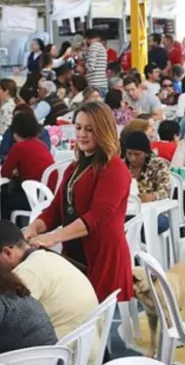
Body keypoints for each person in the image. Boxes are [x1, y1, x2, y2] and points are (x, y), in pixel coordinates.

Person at [22, 101, 134, 303]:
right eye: (79, 127)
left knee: (92, 316)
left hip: (103, 256)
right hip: (75, 253)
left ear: (103, 131)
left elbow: (96, 218)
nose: (82, 134)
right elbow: (56, 209)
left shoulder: (114, 168)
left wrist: (54, 237)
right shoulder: (74, 167)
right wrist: (34, 228)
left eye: (89, 129)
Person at [0, 220, 98, 342]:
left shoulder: (27, 273)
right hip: (86, 345)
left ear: (7, 252)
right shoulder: (48, 257)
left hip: (66, 352)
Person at [0, 111, 54, 215]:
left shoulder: (18, 147)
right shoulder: (41, 144)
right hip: (49, 195)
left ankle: (6, 228)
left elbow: (4, 173)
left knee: (3, 197)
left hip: (32, 197)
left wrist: (15, 172)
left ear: (15, 132)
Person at [85, 30, 109, 97]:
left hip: (95, 85)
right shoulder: (102, 47)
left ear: (87, 39)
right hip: (102, 83)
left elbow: (91, 67)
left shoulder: (93, 47)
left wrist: (85, 64)